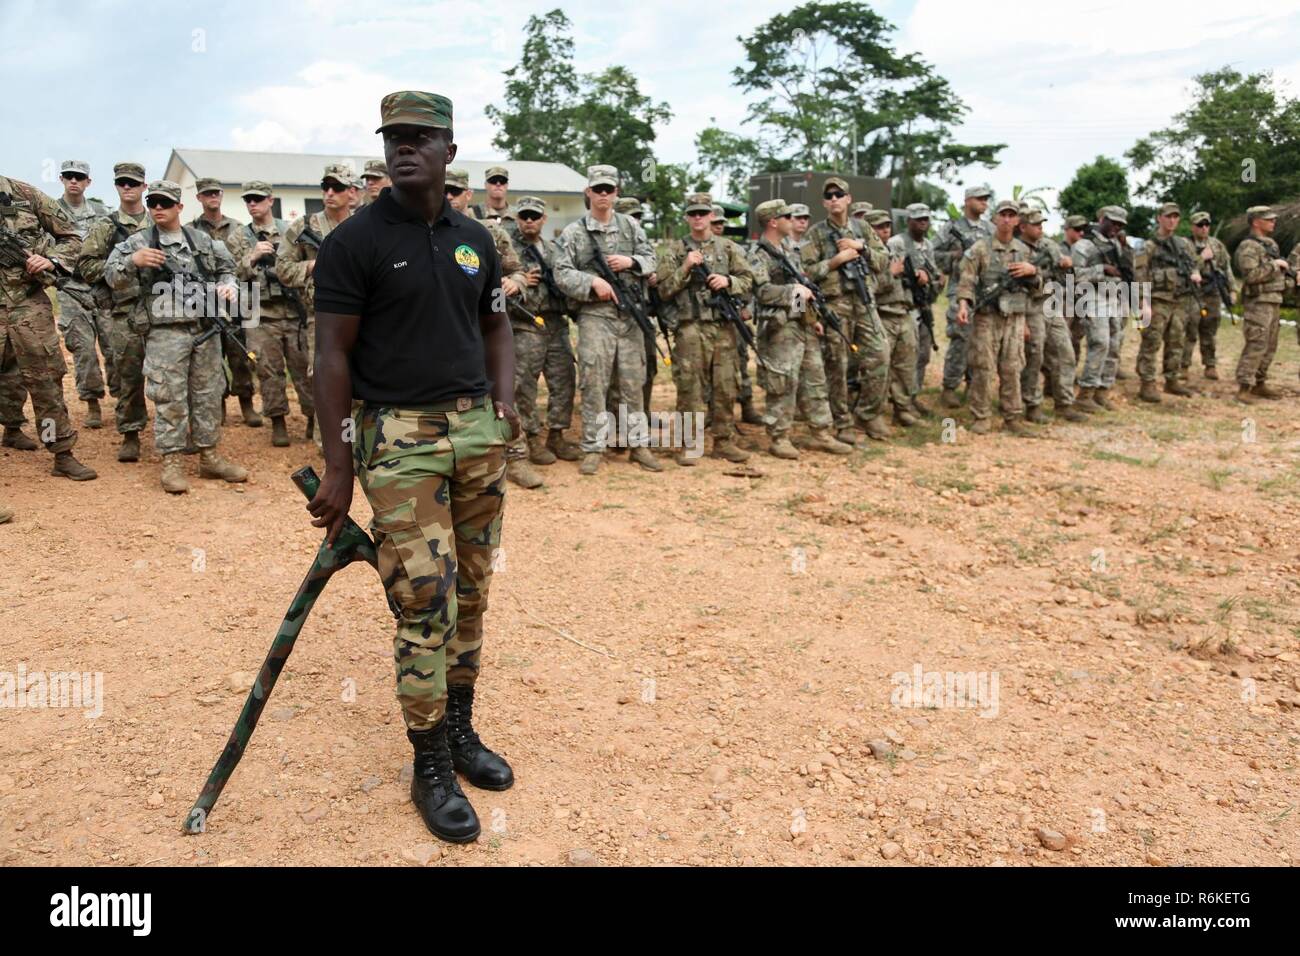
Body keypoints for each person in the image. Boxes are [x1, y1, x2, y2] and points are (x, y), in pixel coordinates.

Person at [308, 90, 517, 844]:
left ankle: (461, 730)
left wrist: (503, 405)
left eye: (420, 137)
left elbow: (497, 326)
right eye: (394, 137)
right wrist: (337, 465)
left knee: (475, 590)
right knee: (427, 599)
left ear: (449, 152)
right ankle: (428, 759)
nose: (405, 149)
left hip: (475, 432)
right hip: (398, 438)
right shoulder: (354, 241)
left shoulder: (475, 238)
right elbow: (330, 355)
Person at [106, 181, 248, 493]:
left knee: (208, 393)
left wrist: (229, 287)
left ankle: (209, 456)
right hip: (165, 332)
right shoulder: (139, 242)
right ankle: (172, 461)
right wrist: (134, 261)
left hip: (205, 329)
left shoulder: (202, 241)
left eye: (165, 203)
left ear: (179, 208)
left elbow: (229, 270)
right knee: (169, 396)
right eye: (153, 202)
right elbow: (109, 276)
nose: (158, 208)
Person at [552, 165, 660, 475]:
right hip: (595, 316)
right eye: (597, 189)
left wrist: (632, 262)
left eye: (608, 189)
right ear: (588, 192)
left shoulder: (631, 227)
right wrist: (591, 283)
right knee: (594, 383)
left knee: (632, 383)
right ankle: (593, 447)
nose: (602, 194)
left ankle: (638, 445)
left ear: (616, 193)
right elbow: (561, 272)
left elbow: (652, 260)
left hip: (629, 317)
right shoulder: (575, 232)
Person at [0, 173, 96, 479]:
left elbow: (72, 237)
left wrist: (50, 259)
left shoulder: (25, 193)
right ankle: (12, 427)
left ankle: (61, 452)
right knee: (8, 378)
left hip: (28, 304)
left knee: (45, 380)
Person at [746, 199, 852, 458]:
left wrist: (810, 318)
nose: (792, 221)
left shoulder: (790, 250)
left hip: (800, 324)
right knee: (783, 382)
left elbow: (801, 287)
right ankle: (779, 436)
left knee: (815, 379)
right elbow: (761, 292)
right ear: (773, 222)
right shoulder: (757, 254)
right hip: (778, 328)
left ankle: (821, 432)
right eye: (786, 217)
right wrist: (792, 291)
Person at [656, 193, 756, 465]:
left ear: (712, 215)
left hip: (724, 327)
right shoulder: (676, 251)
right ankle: (690, 444)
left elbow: (749, 279)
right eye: (693, 213)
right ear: (687, 217)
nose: (699, 218)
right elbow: (663, 290)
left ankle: (723, 442)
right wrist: (686, 267)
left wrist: (728, 281)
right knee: (691, 387)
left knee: (725, 385)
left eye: (703, 213)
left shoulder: (728, 248)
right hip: (690, 328)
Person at [800, 176, 890, 443]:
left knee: (880, 355)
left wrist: (860, 247)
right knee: (836, 366)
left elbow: (884, 260)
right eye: (829, 196)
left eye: (839, 194)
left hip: (864, 302)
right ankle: (843, 421)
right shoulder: (815, 234)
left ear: (849, 199)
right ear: (824, 203)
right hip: (834, 305)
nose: (835, 199)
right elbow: (805, 273)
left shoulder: (862, 228)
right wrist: (835, 261)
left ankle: (868, 413)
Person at [225, 181, 313, 447]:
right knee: (267, 370)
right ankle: (278, 422)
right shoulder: (238, 237)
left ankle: (312, 418)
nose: (253, 204)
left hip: (294, 311)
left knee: (304, 369)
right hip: (260, 313)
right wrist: (251, 257)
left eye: (258, 199)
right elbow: (231, 276)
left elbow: (304, 264)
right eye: (248, 200)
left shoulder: (291, 230)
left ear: (270, 201)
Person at [77, 162, 153, 461]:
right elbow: (86, 266)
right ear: (116, 186)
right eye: (122, 183)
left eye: (133, 183)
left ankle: (177, 431)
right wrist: (122, 263)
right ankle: (131, 433)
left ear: (143, 187)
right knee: (128, 373)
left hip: (161, 311)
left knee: (171, 373)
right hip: (125, 311)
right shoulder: (106, 226)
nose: (128, 188)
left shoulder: (159, 221)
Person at [276, 164, 355, 441]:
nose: (330, 193)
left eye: (338, 188)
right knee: (326, 379)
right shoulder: (304, 226)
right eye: (326, 187)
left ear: (352, 192)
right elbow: (283, 270)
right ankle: (329, 444)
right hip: (321, 317)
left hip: (364, 316)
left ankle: (362, 442)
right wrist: (313, 265)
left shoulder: (365, 224)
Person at [954, 198, 1040, 435]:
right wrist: (963, 305)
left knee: (1012, 367)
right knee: (983, 366)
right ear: (994, 218)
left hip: (1014, 317)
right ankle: (981, 415)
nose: (1006, 219)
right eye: (1002, 215)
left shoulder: (1024, 252)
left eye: (1011, 215)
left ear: (1017, 221)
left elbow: (1038, 287)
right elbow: (967, 280)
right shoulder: (980, 248)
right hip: (986, 317)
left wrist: (1032, 272)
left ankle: (1012, 417)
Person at [508, 195, 580, 472]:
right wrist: (521, 279)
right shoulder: (511, 250)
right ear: (517, 218)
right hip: (525, 324)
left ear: (543, 219)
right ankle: (533, 439)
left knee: (564, 380)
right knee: (525, 385)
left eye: (534, 216)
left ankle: (557, 435)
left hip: (556, 324)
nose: (529, 221)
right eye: (524, 216)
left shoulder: (554, 250)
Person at [190, 176, 260, 427]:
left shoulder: (239, 228)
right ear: (199, 197)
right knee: (211, 357)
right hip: (205, 304)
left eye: (216, 192)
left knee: (239, 355)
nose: (212, 197)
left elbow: (246, 264)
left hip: (234, 301)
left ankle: (247, 404)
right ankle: (217, 405)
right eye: (207, 193)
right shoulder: (190, 231)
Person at [54, 160, 112, 428]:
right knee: (83, 348)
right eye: (69, 176)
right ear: (62, 179)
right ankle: (92, 403)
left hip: (102, 287)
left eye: (79, 177)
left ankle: (124, 400)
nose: (74, 181)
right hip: (71, 287)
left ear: (88, 182)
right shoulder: (50, 211)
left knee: (115, 347)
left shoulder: (103, 213)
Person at [1018, 209, 1086, 423]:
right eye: (1035, 224)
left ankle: (1064, 403)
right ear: (1023, 227)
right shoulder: (1015, 249)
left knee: (1065, 351)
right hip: (1029, 306)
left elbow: (1062, 273)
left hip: (1051, 303)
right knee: (1034, 357)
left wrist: (1066, 265)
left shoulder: (1048, 245)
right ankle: (1032, 405)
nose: (1040, 227)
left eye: (1041, 223)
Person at [933, 185, 992, 407]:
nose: (984, 203)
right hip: (959, 290)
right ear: (967, 201)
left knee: (981, 341)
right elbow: (931, 252)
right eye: (979, 199)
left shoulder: (990, 229)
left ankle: (973, 385)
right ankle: (949, 386)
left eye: (986, 199)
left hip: (985, 292)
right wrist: (955, 257)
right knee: (960, 338)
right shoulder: (952, 227)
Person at [1136, 202, 1198, 403]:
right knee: (1152, 341)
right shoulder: (1148, 246)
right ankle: (1147, 383)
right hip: (1157, 300)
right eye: (1168, 216)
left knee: (1176, 341)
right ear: (1159, 218)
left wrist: (1195, 273)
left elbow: (1194, 264)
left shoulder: (1184, 244)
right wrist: (1143, 303)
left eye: (1175, 217)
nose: (1172, 220)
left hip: (1180, 300)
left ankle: (1172, 379)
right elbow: (1140, 275)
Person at [1232, 205, 1290, 404]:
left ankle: (1259, 381)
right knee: (1256, 343)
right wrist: (1274, 266)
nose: (1273, 222)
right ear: (1256, 222)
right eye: (1268, 219)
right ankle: (1244, 387)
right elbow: (1250, 276)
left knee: (1270, 344)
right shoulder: (1248, 247)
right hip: (1258, 303)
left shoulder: (1271, 244)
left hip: (1273, 300)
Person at [868, 208, 920, 426]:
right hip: (883, 315)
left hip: (904, 313)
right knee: (880, 368)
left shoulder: (897, 251)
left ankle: (903, 409)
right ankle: (873, 413)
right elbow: (869, 287)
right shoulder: (867, 255)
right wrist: (892, 273)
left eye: (887, 226)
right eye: (879, 227)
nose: (885, 230)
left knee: (905, 366)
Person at [895, 203, 940, 411]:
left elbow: (935, 274)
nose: (923, 222)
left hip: (923, 305)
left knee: (923, 354)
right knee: (907, 356)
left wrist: (927, 277)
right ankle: (902, 400)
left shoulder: (928, 246)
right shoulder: (897, 243)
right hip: (905, 306)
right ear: (908, 221)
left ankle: (914, 395)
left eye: (926, 219)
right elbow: (890, 274)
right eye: (918, 219)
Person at [1185, 211, 1233, 380]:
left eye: (1207, 225)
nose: (1204, 228)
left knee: (1210, 329)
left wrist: (1232, 289)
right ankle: (1184, 365)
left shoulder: (1217, 245)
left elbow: (1226, 267)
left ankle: (1210, 364)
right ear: (1193, 227)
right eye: (1200, 225)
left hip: (1212, 291)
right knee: (1189, 329)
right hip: (1193, 291)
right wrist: (1201, 258)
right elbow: (1184, 267)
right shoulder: (1185, 244)